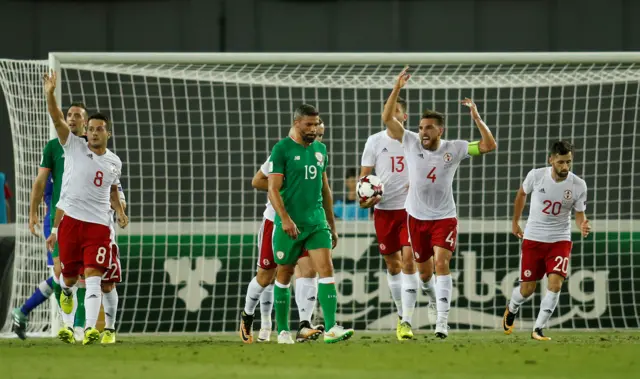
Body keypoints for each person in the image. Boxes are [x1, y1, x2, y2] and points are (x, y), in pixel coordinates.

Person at [382, 66, 496, 338]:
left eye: (429, 127)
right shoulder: (409, 141)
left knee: (442, 264)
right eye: (421, 127)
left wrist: (477, 118)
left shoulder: (454, 148)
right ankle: (433, 298)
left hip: (444, 217)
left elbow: (488, 145)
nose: (423, 131)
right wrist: (397, 87)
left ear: (440, 130)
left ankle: (442, 322)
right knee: (423, 274)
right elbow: (387, 118)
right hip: (416, 217)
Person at [43, 71, 128, 345]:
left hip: (99, 227)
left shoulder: (115, 162)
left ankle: (91, 328)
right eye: (90, 128)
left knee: (95, 276)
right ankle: (67, 300)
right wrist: (49, 94)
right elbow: (57, 119)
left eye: (98, 129)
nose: (93, 132)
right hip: (71, 223)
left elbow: (113, 188)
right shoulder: (73, 146)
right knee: (67, 279)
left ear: (108, 133)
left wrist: (121, 211)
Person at [268, 104, 354, 344]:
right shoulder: (281, 149)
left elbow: (325, 189)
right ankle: (283, 330)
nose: (314, 129)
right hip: (291, 225)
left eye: (316, 124)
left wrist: (331, 224)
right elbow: (272, 189)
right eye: (309, 124)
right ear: (297, 123)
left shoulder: (320, 150)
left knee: (326, 269)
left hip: (316, 222)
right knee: (284, 272)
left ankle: (331, 327)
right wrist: (285, 218)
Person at [240, 121, 326, 344]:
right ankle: (251, 316)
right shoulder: (284, 153)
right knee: (266, 275)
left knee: (308, 271)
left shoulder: (317, 156)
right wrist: (284, 184)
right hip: (276, 222)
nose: (318, 136)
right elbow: (257, 181)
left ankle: (303, 325)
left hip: (307, 223)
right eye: (316, 132)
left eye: (321, 134)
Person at [359, 99, 437, 340]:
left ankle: (409, 319)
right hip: (384, 212)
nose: (391, 116)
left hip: (411, 211)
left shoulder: (414, 140)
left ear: (404, 117)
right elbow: (364, 181)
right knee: (393, 266)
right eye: (388, 112)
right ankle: (401, 312)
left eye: (396, 113)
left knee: (410, 264)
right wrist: (364, 199)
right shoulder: (374, 141)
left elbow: (431, 172)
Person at [12, 101, 90, 340]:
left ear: (86, 123)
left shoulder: (92, 147)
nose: (73, 118)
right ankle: (67, 326)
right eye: (69, 115)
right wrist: (33, 211)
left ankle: (75, 328)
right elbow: (40, 182)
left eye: (78, 115)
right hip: (58, 220)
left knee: (84, 275)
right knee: (61, 275)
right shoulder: (54, 147)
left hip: (86, 219)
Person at [503, 140, 590, 341]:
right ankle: (512, 307)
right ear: (551, 160)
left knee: (555, 284)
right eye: (560, 162)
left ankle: (538, 329)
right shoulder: (536, 176)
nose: (565, 167)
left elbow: (579, 214)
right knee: (527, 290)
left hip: (560, 240)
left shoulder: (578, 185)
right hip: (534, 239)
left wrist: (583, 224)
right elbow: (521, 195)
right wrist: (515, 222)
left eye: (568, 162)